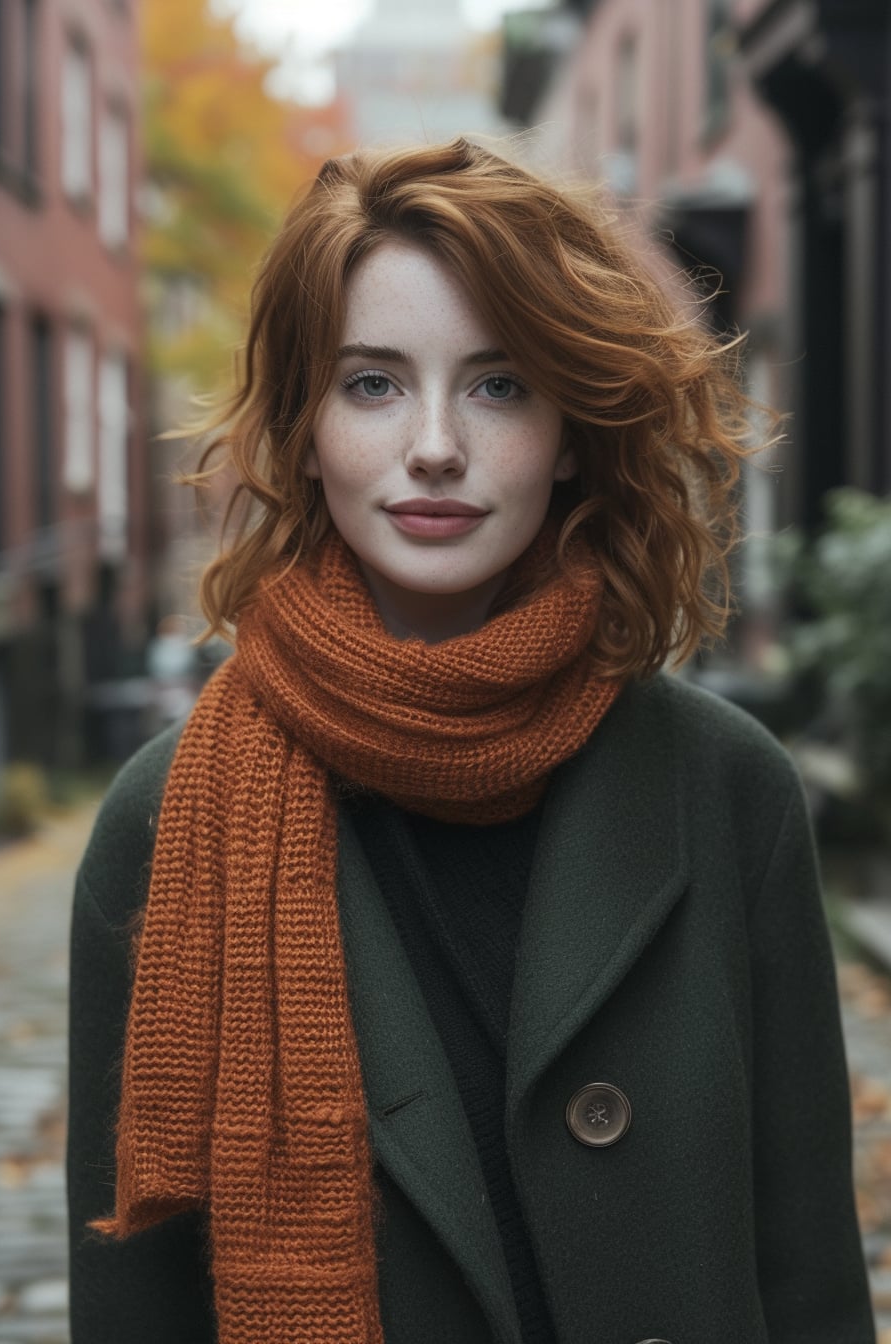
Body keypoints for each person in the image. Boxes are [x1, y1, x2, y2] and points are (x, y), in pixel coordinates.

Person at [67, 139, 875, 1344]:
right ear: (303, 427)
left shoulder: (725, 787)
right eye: (372, 383)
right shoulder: (168, 812)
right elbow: (134, 1303)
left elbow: (808, 1268)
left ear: (570, 431)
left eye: (497, 386)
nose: (434, 444)